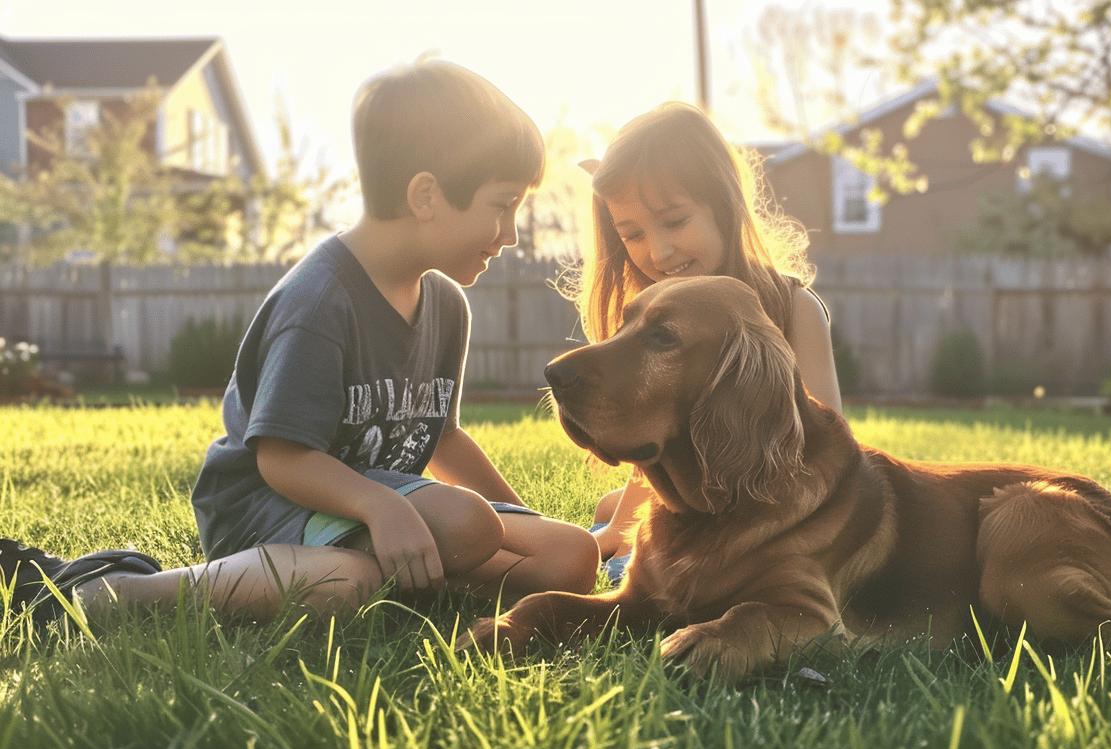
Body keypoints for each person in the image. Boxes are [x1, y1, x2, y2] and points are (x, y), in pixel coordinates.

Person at [1, 60, 599, 631]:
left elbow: (440, 435)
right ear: (425, 196)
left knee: (569, 556)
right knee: (372, 571)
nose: (511, 234)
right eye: (503, 205)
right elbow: (280, 458)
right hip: (268, 508)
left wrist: (527, 522)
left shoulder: (445, 306)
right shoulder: (320, 302)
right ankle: (120, 590)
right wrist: (383, 509)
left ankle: (405, 574)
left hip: (371, 511)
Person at [564, 102, 843, 580]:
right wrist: (617, 526)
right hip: (700, 497)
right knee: (615, 504)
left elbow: (827, 447)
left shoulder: (789, 306)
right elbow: (654, 448)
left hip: (775, 506)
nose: (659, 251)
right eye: (632, 233)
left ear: (724, 204)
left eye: (674, 222)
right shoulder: (652, 312)